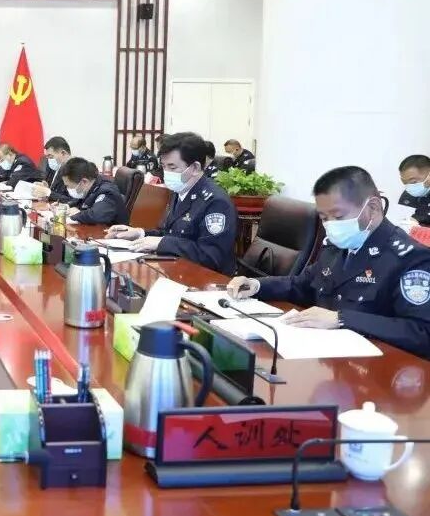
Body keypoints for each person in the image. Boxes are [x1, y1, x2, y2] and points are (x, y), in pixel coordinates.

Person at [228, 166, 430, 358]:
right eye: (324, 218)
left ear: (373, 207)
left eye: (338, 216)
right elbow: (302, 285)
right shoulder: (337, 245)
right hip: (321, 354)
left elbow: (422, 332)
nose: (331, 226)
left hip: (376, 367)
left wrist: (341, 319)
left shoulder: (410, 258)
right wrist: (257, 285)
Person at [105, 132, 237, 274]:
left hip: (205, 279)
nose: (166, 173)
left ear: (195, 168)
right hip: (177, 270)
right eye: (163, 166)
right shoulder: (181, 190)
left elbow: (211, 256)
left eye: (172, 168)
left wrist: (162, 243)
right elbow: (170, 233)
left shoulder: (215, 202)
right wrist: (139, 233)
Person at [60, 158, 129, 226]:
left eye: (69, 186)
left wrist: (74, 216)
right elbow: (82, 202)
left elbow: (98, 215)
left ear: (84, 182)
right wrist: (67, 206)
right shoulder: (92, 186)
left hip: (111, 231)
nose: (68, 189)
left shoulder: (107, 192)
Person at [33, 136, 73, 202]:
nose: (49, 160)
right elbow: (54, 192)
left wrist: (48, 192)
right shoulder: (54, 167)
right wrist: (45, 187)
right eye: (47, 157)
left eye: (51, 156)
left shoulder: (74, 170)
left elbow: (72, 201)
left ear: (63, 153)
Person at [398, 154, 430, 226]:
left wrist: (417, 220)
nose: (410, 186)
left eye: (413, 182)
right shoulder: (408, 194)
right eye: (405, 182)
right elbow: (402, 216)